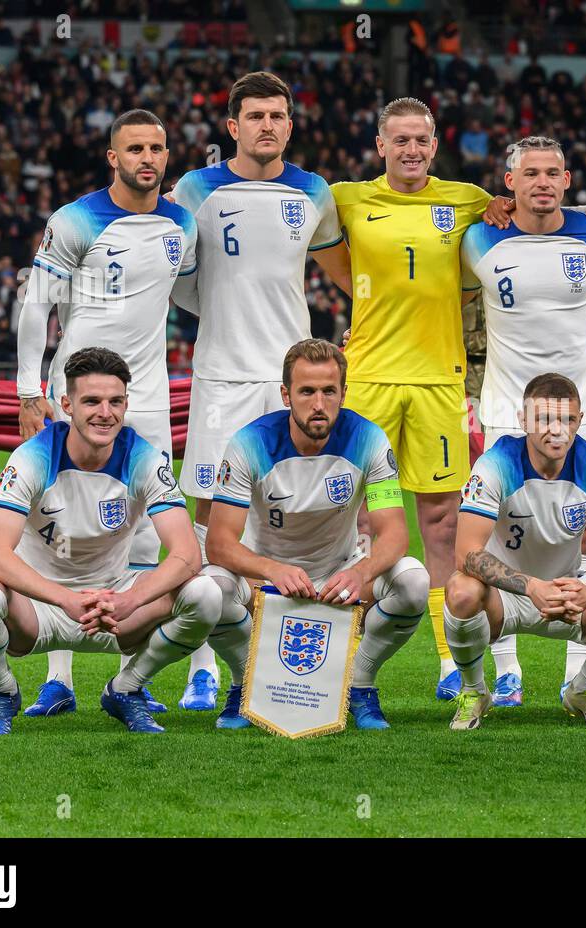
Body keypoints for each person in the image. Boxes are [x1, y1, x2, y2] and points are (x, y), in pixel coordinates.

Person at [331, 97, 586, 700]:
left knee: (444, 523)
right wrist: (367, 307)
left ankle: (449, 661)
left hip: (440, 380)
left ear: (435, 145)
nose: (411, 149)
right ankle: (341, 663)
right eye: (400, 139)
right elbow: (335, 263)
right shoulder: (345, 198)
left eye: (422, 139)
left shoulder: (466, 203)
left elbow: (544, 206)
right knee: (351, 521)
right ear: (380, 144)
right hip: (368, 378)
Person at [168, 71, 351, 712]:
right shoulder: (195, 188)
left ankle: (288, 665)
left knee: (285, 518)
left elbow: (346, 272)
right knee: (202, 519)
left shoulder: (314, 192)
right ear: (232, 126)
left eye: (277, 116)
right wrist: (211, 305)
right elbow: (170, 270)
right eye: (255, 116)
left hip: (293, 381)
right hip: (221, 375)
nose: (267, 126)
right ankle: (201, 669)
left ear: (290, 126)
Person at [0, 348, 249, 735]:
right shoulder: (32, 457)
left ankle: (126, 688)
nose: (104, 413)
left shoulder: (144, 458)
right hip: (38, 607)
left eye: (115, 401)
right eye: (91, 401)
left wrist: (128, 600)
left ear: (127, 404)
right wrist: (64, 599)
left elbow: (187, 555)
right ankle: (2, 692)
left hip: (115, 606)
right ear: (66, 404)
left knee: (206, 594)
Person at [14, 109, 197, 717]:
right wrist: (27, 390)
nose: (148, 157)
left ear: (167, 156)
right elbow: (35, 305)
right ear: (112, 157)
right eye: (135, 148)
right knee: (63, 530)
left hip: (146, 401)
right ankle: (57, 680)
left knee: (146, 533)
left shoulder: (181, 224)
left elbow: (194, 292)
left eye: (157, 148)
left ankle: (128, 683)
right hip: (79, 396)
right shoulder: (74, 219)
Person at [458, 135, 586, 706]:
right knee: (500, 533)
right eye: (530, 174)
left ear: (568, 180)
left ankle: (580, 669)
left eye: (553, 172)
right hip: (505, 409)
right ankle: (506, 672)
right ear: (510, 183)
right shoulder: (480, 237)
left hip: (583, 411)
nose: (542, 183)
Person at [204, 339, 429, 729]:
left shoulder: (369, 439)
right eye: (307, 391)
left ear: (344, 392)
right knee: (208, 590)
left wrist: (361, 573)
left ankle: (359, 685)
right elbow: (219, 542)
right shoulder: (249, 442)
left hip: (339, 575)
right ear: (286, 394)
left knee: (413, 581)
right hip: (264, 580)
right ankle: (245, 685)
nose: (319, 403)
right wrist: (271, 571)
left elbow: (394, 533)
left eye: (329, 391)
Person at [443, 374, 586, 730]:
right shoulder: (496, 464)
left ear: (580, 421)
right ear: (524, 421)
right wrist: (533, 586)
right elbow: (466, 554)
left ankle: (583, 690)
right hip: (506, 596)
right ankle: (474, 691)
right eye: (544, 420)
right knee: (461, 590)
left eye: (567, 420)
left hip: (569, 595)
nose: (557, 431)